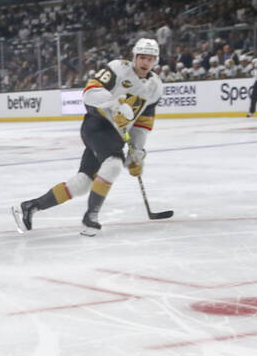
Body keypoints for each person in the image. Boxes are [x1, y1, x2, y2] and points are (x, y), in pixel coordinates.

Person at [12, 38, 162, 237]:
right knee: (114, 164)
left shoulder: (155, 87)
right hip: (96, 125)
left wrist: (138, 152)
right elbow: (89, 93)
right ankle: (91, 217)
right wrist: (114, 103)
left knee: (82, 184)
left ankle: (30, 207)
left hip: (115, 135)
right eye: (142, 57)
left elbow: (143, 123)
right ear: (134, 57)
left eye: (150, 59)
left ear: (156, 61)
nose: (145, 62)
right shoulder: (118, 68)